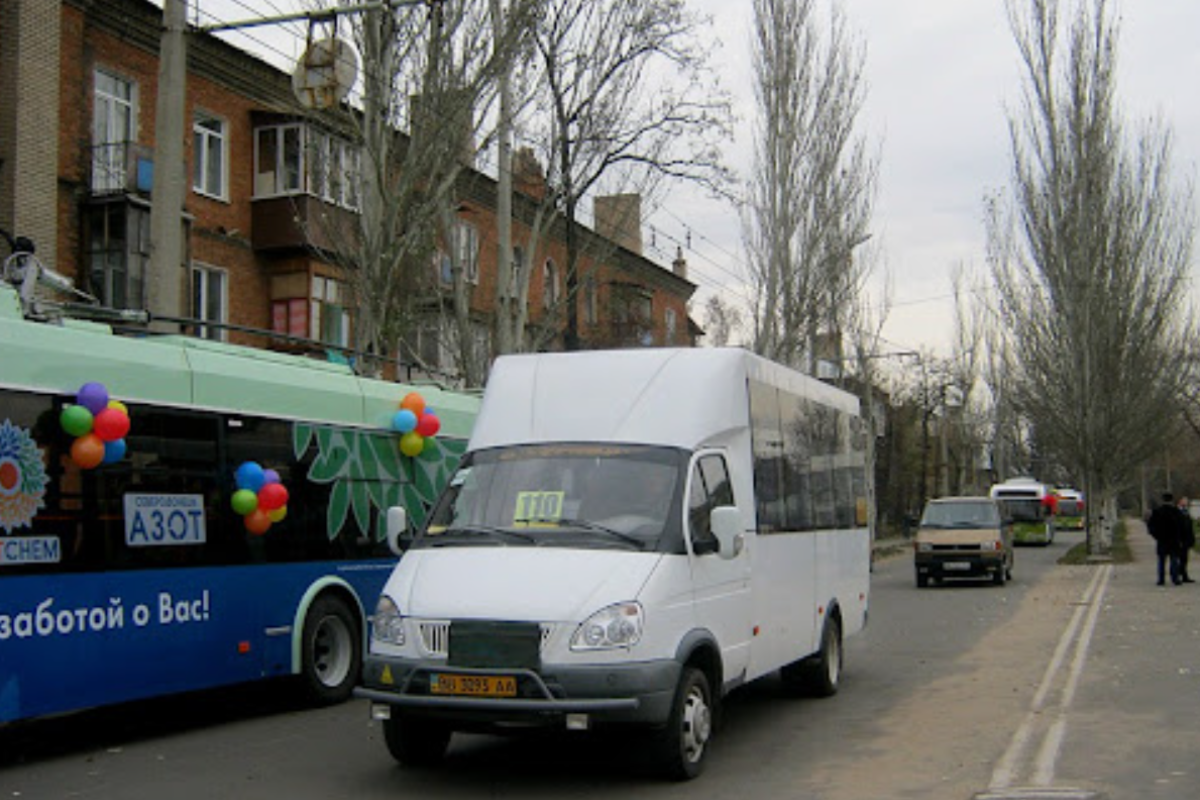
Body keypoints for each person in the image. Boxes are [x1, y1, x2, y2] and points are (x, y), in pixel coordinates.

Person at [1147, 492, 1184, 586]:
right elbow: (1182, 526)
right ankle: (1175, 578)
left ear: (1162, 500)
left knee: (1161, 560)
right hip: (1174, 540)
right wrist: (1180, 537)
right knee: (1174, 560)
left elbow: (1151, 526)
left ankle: (1161, 579)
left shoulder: (1157, 511)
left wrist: (1156, 536)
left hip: (1162, 540)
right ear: (1171, 500)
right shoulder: (1176, 512)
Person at [1178, 496, 1196, 583]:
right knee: (1181, 558)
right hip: (1180, 539)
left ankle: (1184, 575)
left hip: (1187, 539)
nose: (1186, 503)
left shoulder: (1186, 512)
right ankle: (1179, 574)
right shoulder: (1177, 512)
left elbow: (1190, 526)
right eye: (1184, 501)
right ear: (1180, 501)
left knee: (1184, 558)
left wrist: (1192, 538)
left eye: (1187, 501)